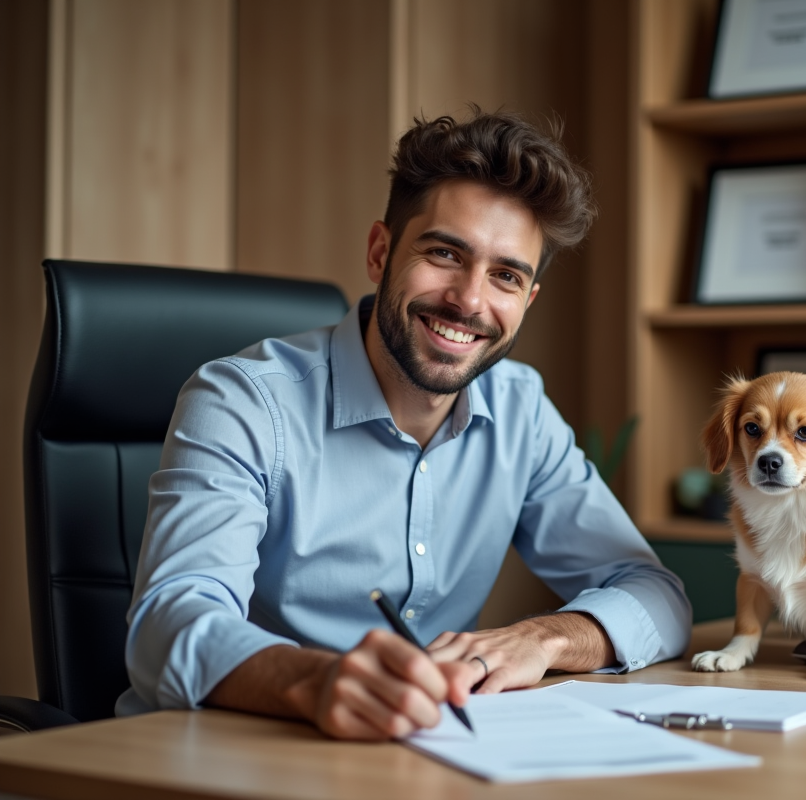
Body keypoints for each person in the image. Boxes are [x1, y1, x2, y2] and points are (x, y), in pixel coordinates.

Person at [118, 108, 691, 740]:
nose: (469, 300)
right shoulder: (243, 402)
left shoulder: (520, 411)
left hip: (418, 756)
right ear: (380, 252)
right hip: (233, 754)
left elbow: (656, 594)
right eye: (445, 253)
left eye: (505, 275)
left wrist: (545, 638)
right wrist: (315, 681)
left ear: (527, 301)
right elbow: (168, 626)